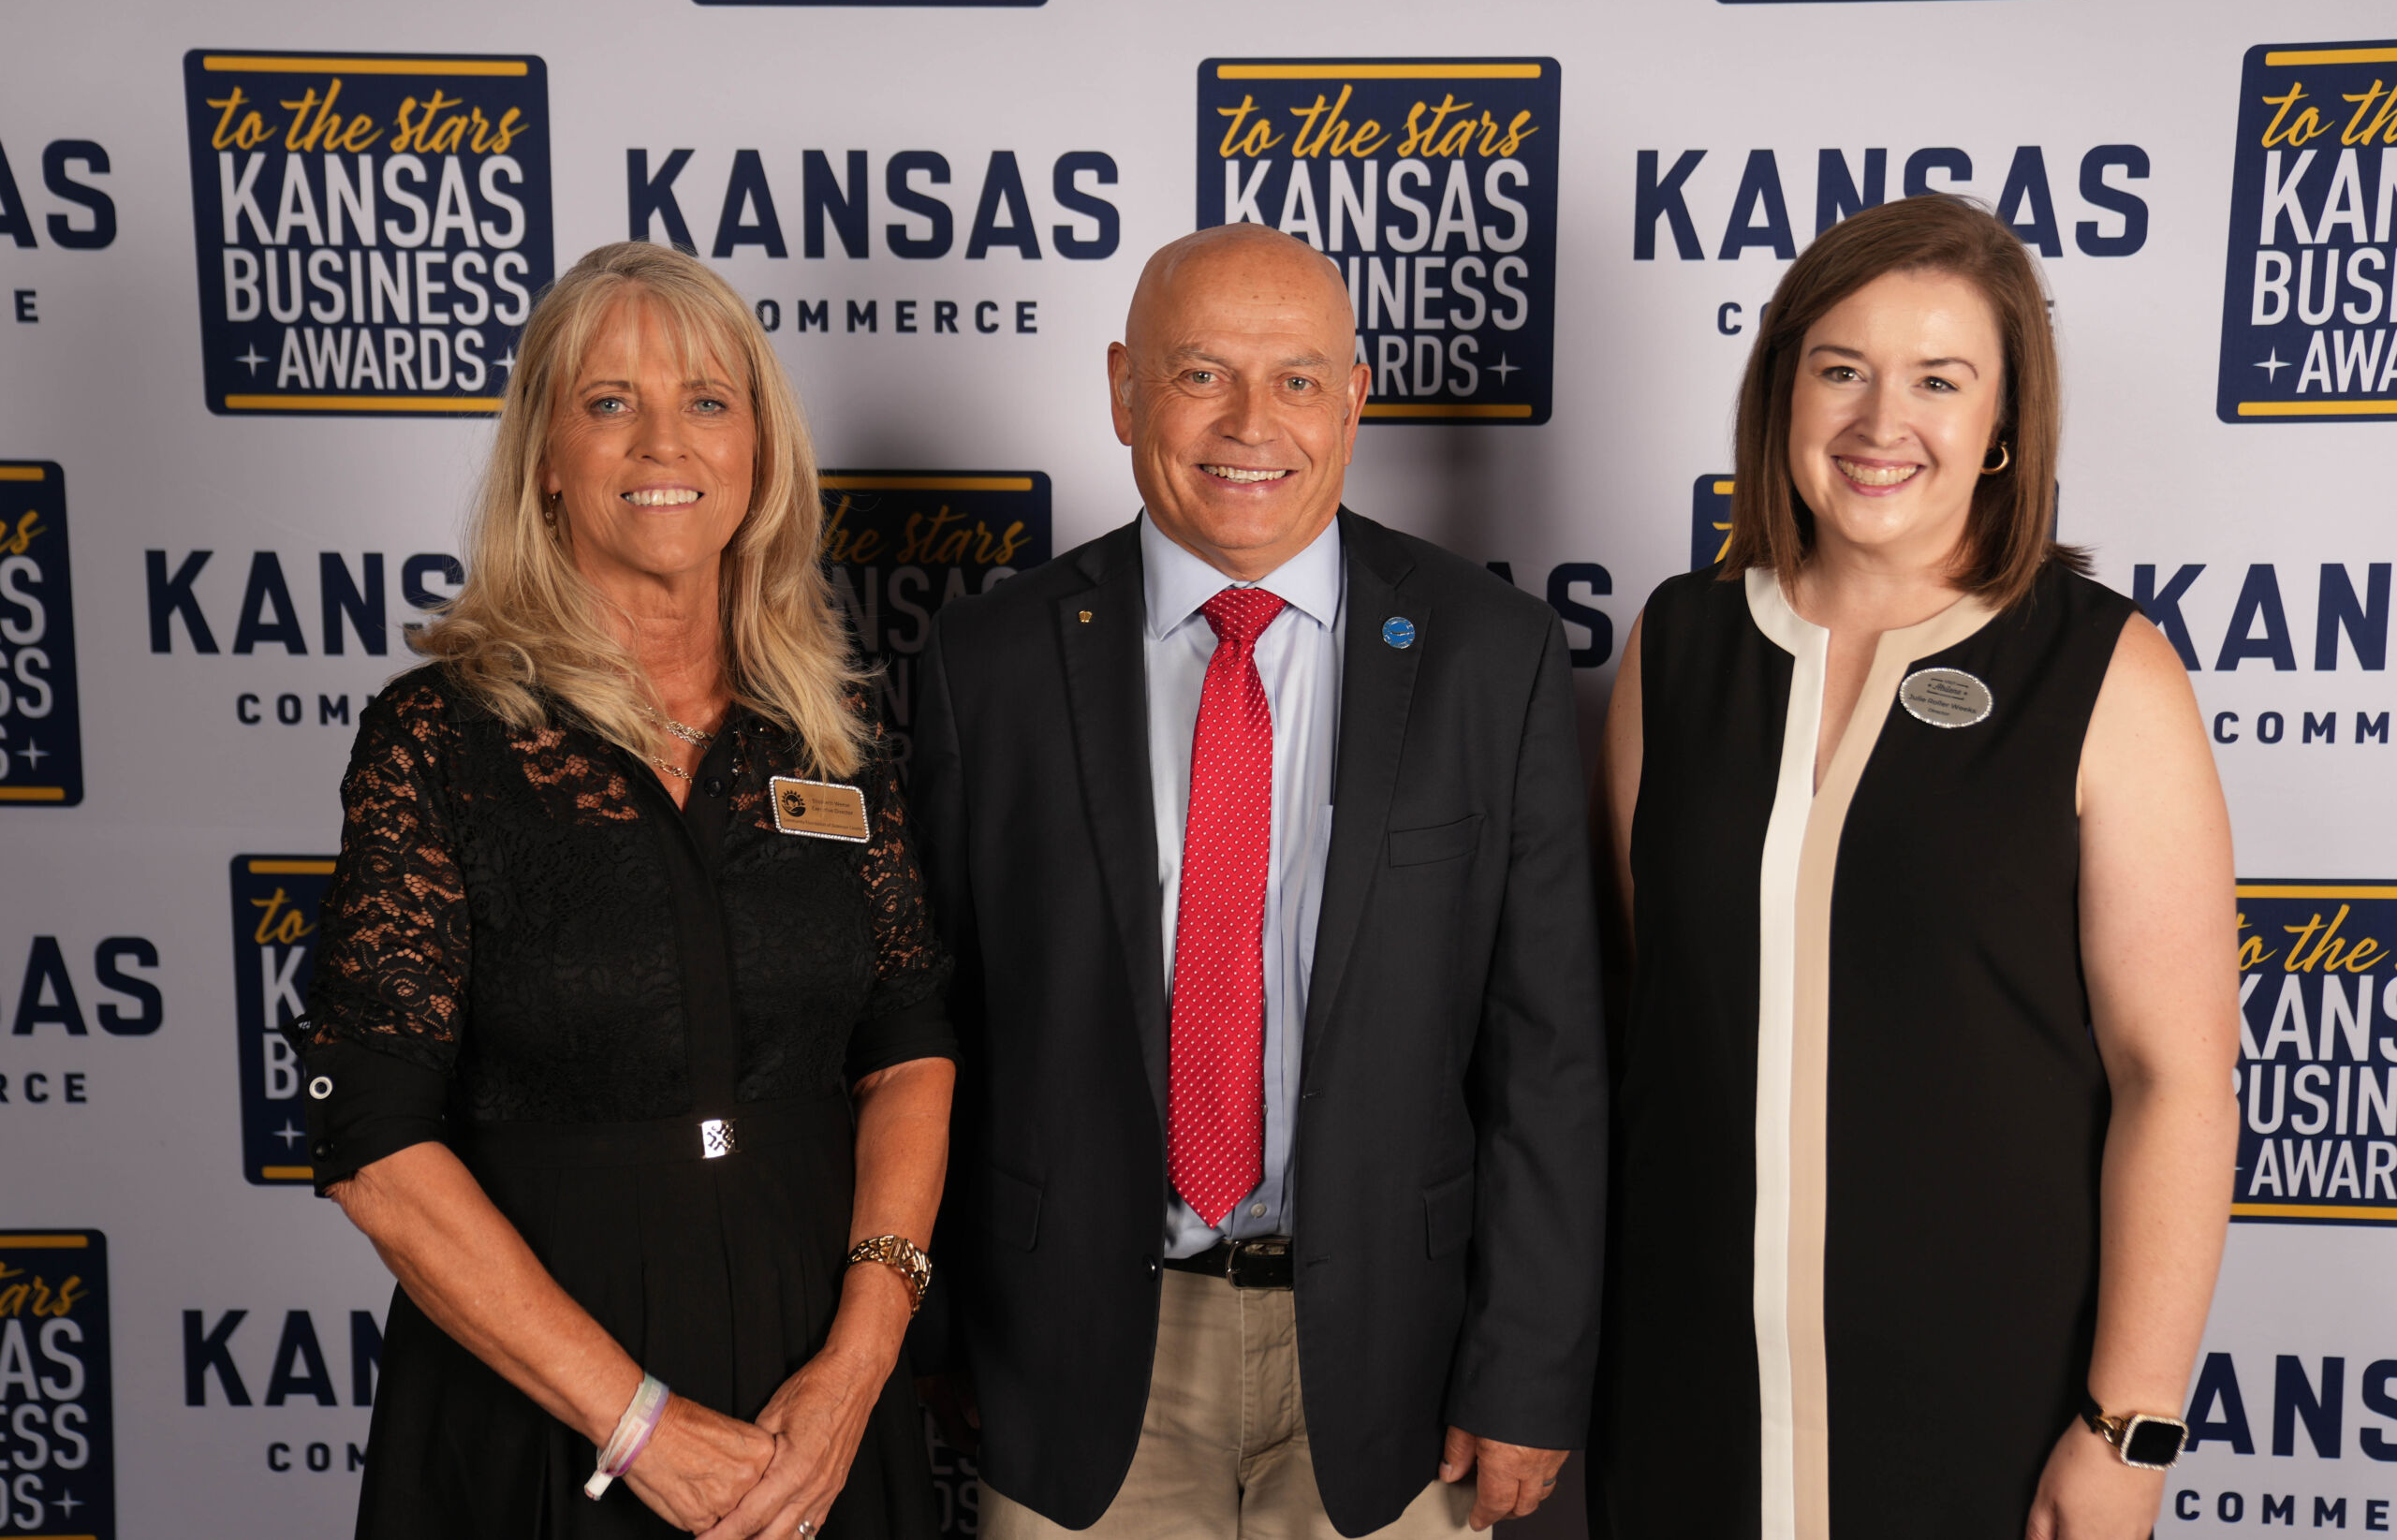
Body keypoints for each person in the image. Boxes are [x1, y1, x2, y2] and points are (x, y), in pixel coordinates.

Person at [909, 223, 1605, 1539]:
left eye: (1297, 379)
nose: (1250, 423)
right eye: (1200, 374)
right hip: (1080, 1358)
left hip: (1400, 1364)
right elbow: (936, 1022)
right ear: (1124, 390)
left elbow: (1548, 1050)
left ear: (1353, 400)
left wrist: (1527, 1368)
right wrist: (937, 1325)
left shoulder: (1490, 654)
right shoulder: (987, 662)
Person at [1589, 194, 2240, 1540]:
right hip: (1686, 1396)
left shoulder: (2102, 668)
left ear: (2004, 423)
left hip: (1985, 1408)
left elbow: (2174, 1078)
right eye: (1843, 370)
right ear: (1783, 392)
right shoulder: (1679, 643)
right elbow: (1654, 1018)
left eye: (1939, 380)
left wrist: (2129, 1429)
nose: (1882, 422)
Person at [288, 241, 956, 1540]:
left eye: (707, 401)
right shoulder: (440, 740)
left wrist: (861, 1361)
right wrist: (636, 1422)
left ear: (757, 449)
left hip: (817, 1403)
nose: (665, 443)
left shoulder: (830, 736)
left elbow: (907, 1045)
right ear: (546, 454)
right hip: (542, 1406)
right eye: (610, 403)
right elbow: (372, 1143)